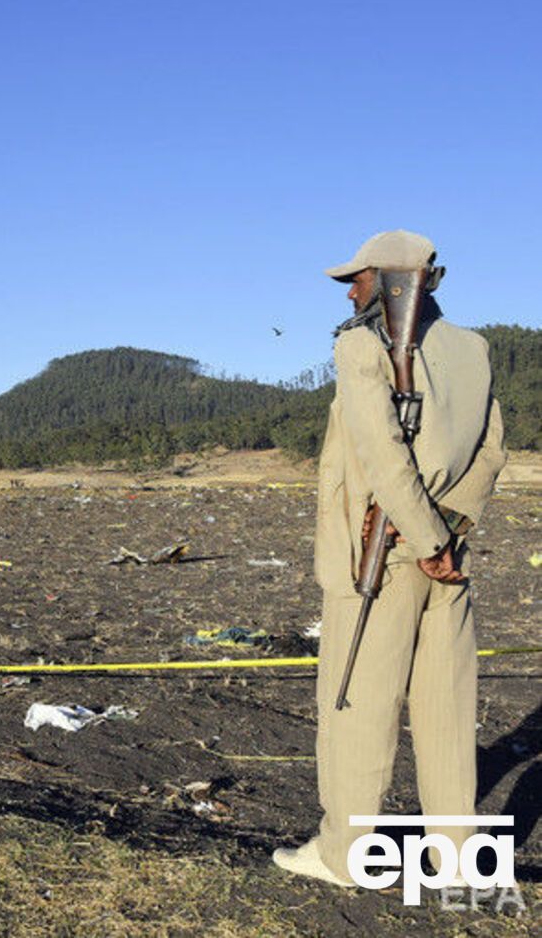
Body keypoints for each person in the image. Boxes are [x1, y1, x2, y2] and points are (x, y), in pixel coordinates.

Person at [273, 230, 507, 885]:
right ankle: (457, 861)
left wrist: (425, 541)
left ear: (391, 282)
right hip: (449, 559)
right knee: (447, 713)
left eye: (359, 278)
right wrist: (450, 531)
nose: (350, 291)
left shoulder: (358, 346)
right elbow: (491, 452)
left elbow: (382, 453)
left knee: (358, 708)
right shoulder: (475, 349)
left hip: (384, 561)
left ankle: (346, 856)